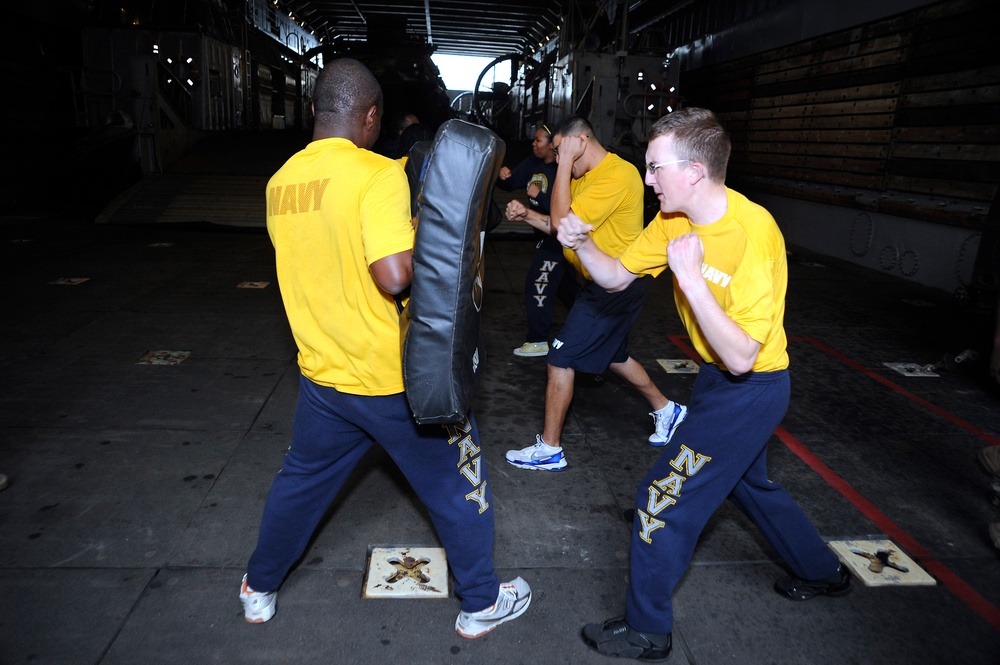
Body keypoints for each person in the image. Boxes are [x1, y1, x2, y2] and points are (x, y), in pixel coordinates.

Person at [240, 58, 530, 639]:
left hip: (323, 376)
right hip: (392, 379)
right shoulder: (375, 177)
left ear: (317, 112)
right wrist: (437, 225)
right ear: (371, 117)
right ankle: (481, 603)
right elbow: (394, 275)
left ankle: (258, 588)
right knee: (459, 481)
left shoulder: (280, 183)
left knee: (299, 483)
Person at [558, 108, 851, 661]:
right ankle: (822, 571)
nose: (647, 179)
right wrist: (580, 242)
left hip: (752, 388)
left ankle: (648, 630)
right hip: (717, 382)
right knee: (747, 483)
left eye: (654, 167)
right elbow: (617, 275)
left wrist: (691, 280)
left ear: (694, 171)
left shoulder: (752, 233)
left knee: (660, 500)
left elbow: (743, 355)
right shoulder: (673, 217)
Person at [504, 116, 687, 472]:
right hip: (604, 281)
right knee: (614, 355)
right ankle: (668, 409)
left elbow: (560, 221)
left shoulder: (616, 176)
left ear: (581, 142)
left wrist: (564, 166)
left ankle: (550, 449)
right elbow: (564, 228)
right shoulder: (585, 177)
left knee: (560, 357)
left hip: (616, 283)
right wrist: (527, 214)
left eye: (560, 150)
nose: (557, 159)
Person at [499, 123, 581, 357]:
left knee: (538, 282)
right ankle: (594, 326)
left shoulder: (562, 172)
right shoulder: (532, 164)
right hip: (546, 236)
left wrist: (539, 195)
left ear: (552, 145)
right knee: (567, 289)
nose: (534, 144)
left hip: (558, 239)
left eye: (539, 141)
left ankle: (538, 340)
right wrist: (501, 175)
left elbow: (563, 212)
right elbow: (511, 183)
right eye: (534, 140)